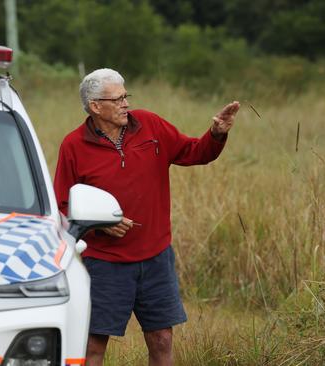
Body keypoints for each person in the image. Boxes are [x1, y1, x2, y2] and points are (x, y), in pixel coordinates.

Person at [53, 68, 240, 366]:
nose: (125, 103)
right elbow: (62, 208)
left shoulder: (150, 125)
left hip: (156, 257)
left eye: (126, 96)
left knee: (162, 340)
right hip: (105, 263)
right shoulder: (73, 146)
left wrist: (217, 134)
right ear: (95, 106)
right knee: (92, 344)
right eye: (117, 99)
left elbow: (194, 152)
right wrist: (99, 226)